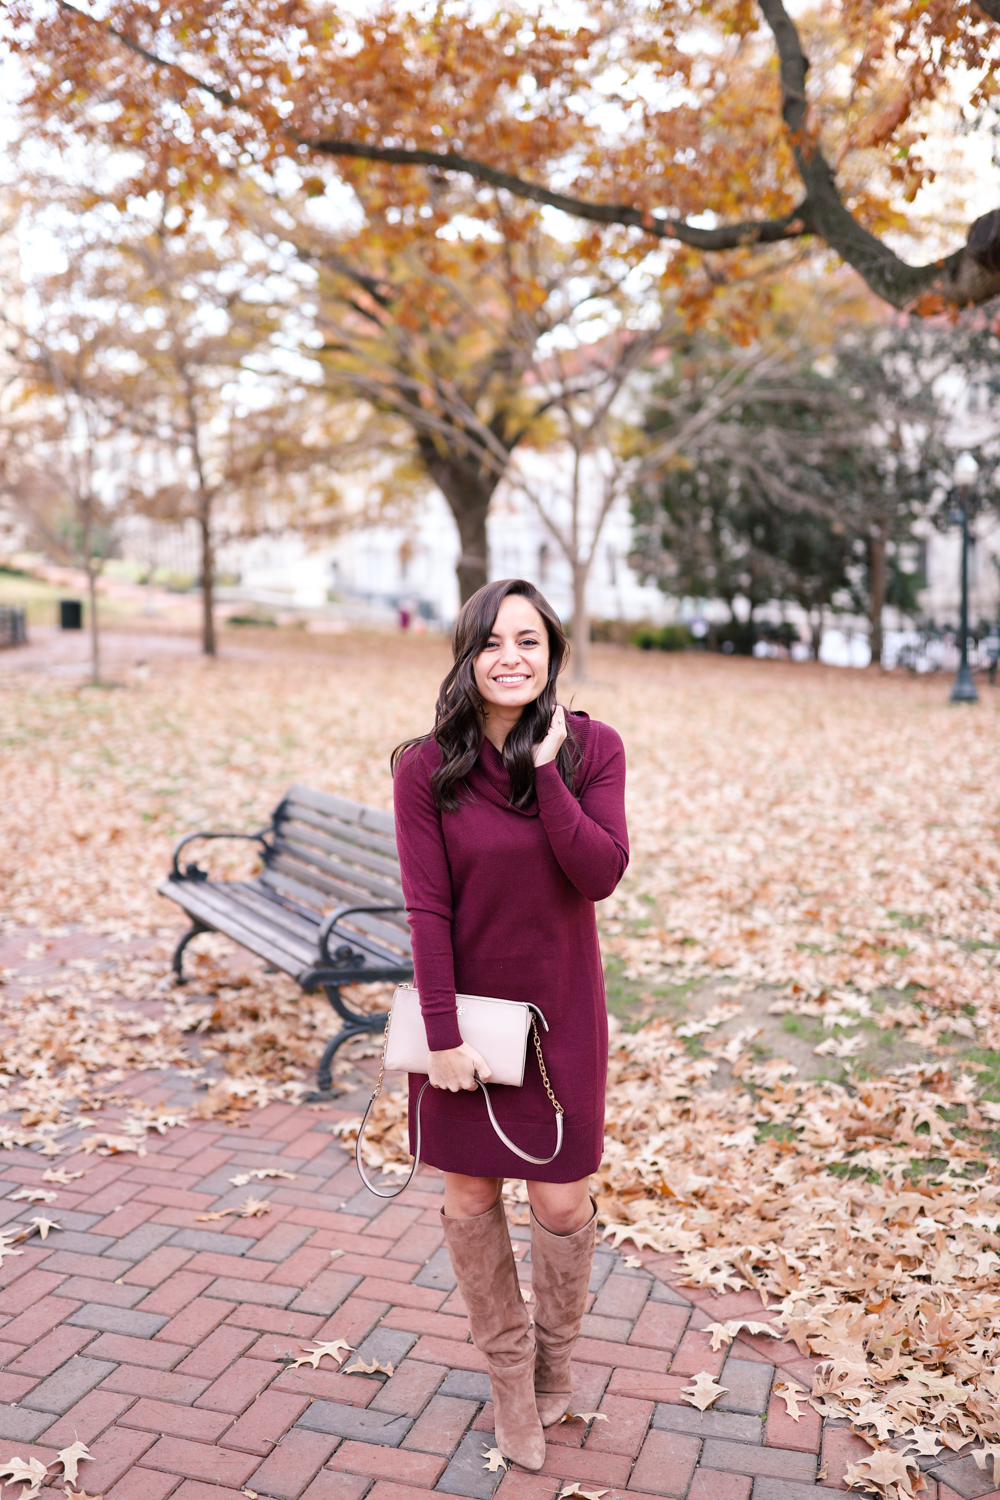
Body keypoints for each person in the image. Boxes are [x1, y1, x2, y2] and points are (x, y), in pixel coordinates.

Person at [390, 578, 629, 1471]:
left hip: (563, 1014)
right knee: (470, 1195)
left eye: (528, 640)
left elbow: (599, 872)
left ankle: (554, 1364)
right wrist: (441, 1033)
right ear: (467, 657)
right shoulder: (425, 766)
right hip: (468, 1026)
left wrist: (544, 768)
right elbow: (426, 910)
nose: (511, 657)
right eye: (492, 642)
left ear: (551, 653)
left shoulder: (592, 748)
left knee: (561, 1198)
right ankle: (507, 1383)